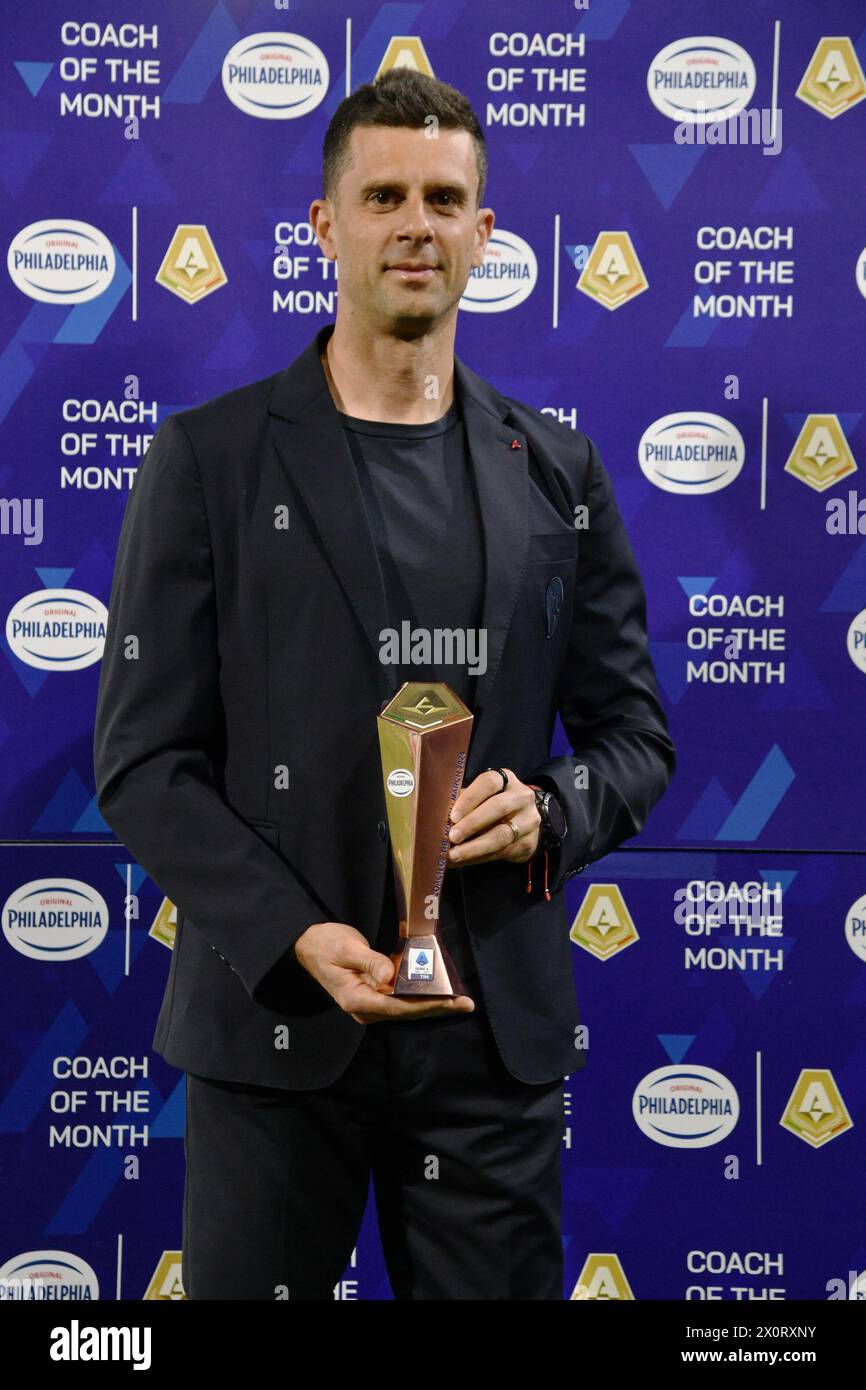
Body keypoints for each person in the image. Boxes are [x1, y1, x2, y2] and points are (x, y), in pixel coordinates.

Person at [93, 67, 676, 1300]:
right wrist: (296, 933)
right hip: (276, 1029)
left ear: (483, 232)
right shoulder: (210, 458)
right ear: (325, 225)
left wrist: (551, 812)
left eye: (442, 198)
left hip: (488, 1047)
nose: (415, 222)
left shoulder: (556, 469)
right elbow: (145, 763)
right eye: (383, 195)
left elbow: (632, 735)